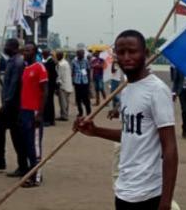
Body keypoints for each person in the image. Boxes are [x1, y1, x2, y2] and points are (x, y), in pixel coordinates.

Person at [75, 30, 178, 210]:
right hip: (124, 189)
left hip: (149, 193)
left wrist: (166, 202)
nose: (127, 57)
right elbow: (131, 135)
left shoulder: (157, 90)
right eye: (121, 53)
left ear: (145, 54)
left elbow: (170, 148)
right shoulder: (127, 89)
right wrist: (96, 131)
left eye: (132, 51)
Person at [0, 38, 27, 176]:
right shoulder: (12, 60)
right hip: (9, 104)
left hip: (13, 105)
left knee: (16, 135)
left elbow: (14, 85)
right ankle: (0, 159)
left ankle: (22, 166)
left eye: (6, 45)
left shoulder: (18, 62)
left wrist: (6, 103)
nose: (4, 47)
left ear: (12, 47)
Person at [19, 42, 48, 187]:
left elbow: (45, 91)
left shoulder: (39, 67)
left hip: (34, 111)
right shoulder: (25, 68)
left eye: (29, 50)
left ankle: (36, 177)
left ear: (35, 52)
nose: (26, 52)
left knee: (35, 145)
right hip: (24, 110)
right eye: (24, 50)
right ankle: (30, 172)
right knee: (27, 144)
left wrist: (40, 113)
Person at [171, 67, 186, 140]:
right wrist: (174, 93)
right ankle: (184, 128)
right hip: (182, 92)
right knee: (185, 110)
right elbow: (176, 81)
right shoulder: (179, 67)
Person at [72, 48, 92, 117]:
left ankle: (89, 112)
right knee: (78, 99)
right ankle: (80, 112)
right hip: (77, 82)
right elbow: (73, 72)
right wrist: (73, 81)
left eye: (83, 54)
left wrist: (89, 82)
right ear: (77, 55)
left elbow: (88, 71)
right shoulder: (74, 61)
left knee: (86, 99)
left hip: (85, 82)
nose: (82, 55)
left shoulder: (86, 61)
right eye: (80, 54)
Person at [55, 50, 73, 121]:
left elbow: (59, 76)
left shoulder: (61, 64)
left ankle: (64, 116)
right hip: (68, 84)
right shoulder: (66, 63)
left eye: (57, 55)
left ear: (60, 56)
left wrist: (57, 85)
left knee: (62, 102)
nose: (56, 57)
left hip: (63, 85)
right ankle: (65, 114)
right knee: (66, 101)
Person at [41, 48, 57, 126]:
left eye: (43, 54)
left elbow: (51, 75)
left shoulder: (50, 62)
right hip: (50, 85)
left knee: (47, 103)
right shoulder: (50, 62)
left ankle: (47, 120)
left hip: (49, 85)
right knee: (50, 102)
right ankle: (51, 120)